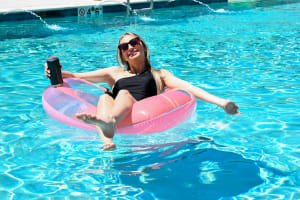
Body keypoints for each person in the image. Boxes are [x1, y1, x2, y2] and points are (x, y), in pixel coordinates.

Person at [45, 32, 241, 150]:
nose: (130, 47)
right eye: (124, 46)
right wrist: (57, 73)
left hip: (140, 111)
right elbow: (77, 76)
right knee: (105, 98)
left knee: (123, 93)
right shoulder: (114, 72)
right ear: (122, 54)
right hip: (115, 110)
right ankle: (107, 138)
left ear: (142, 45)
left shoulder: (160, 74)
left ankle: (109, 123)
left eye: (134, 42)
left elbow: (189, 88)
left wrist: (222, 103)